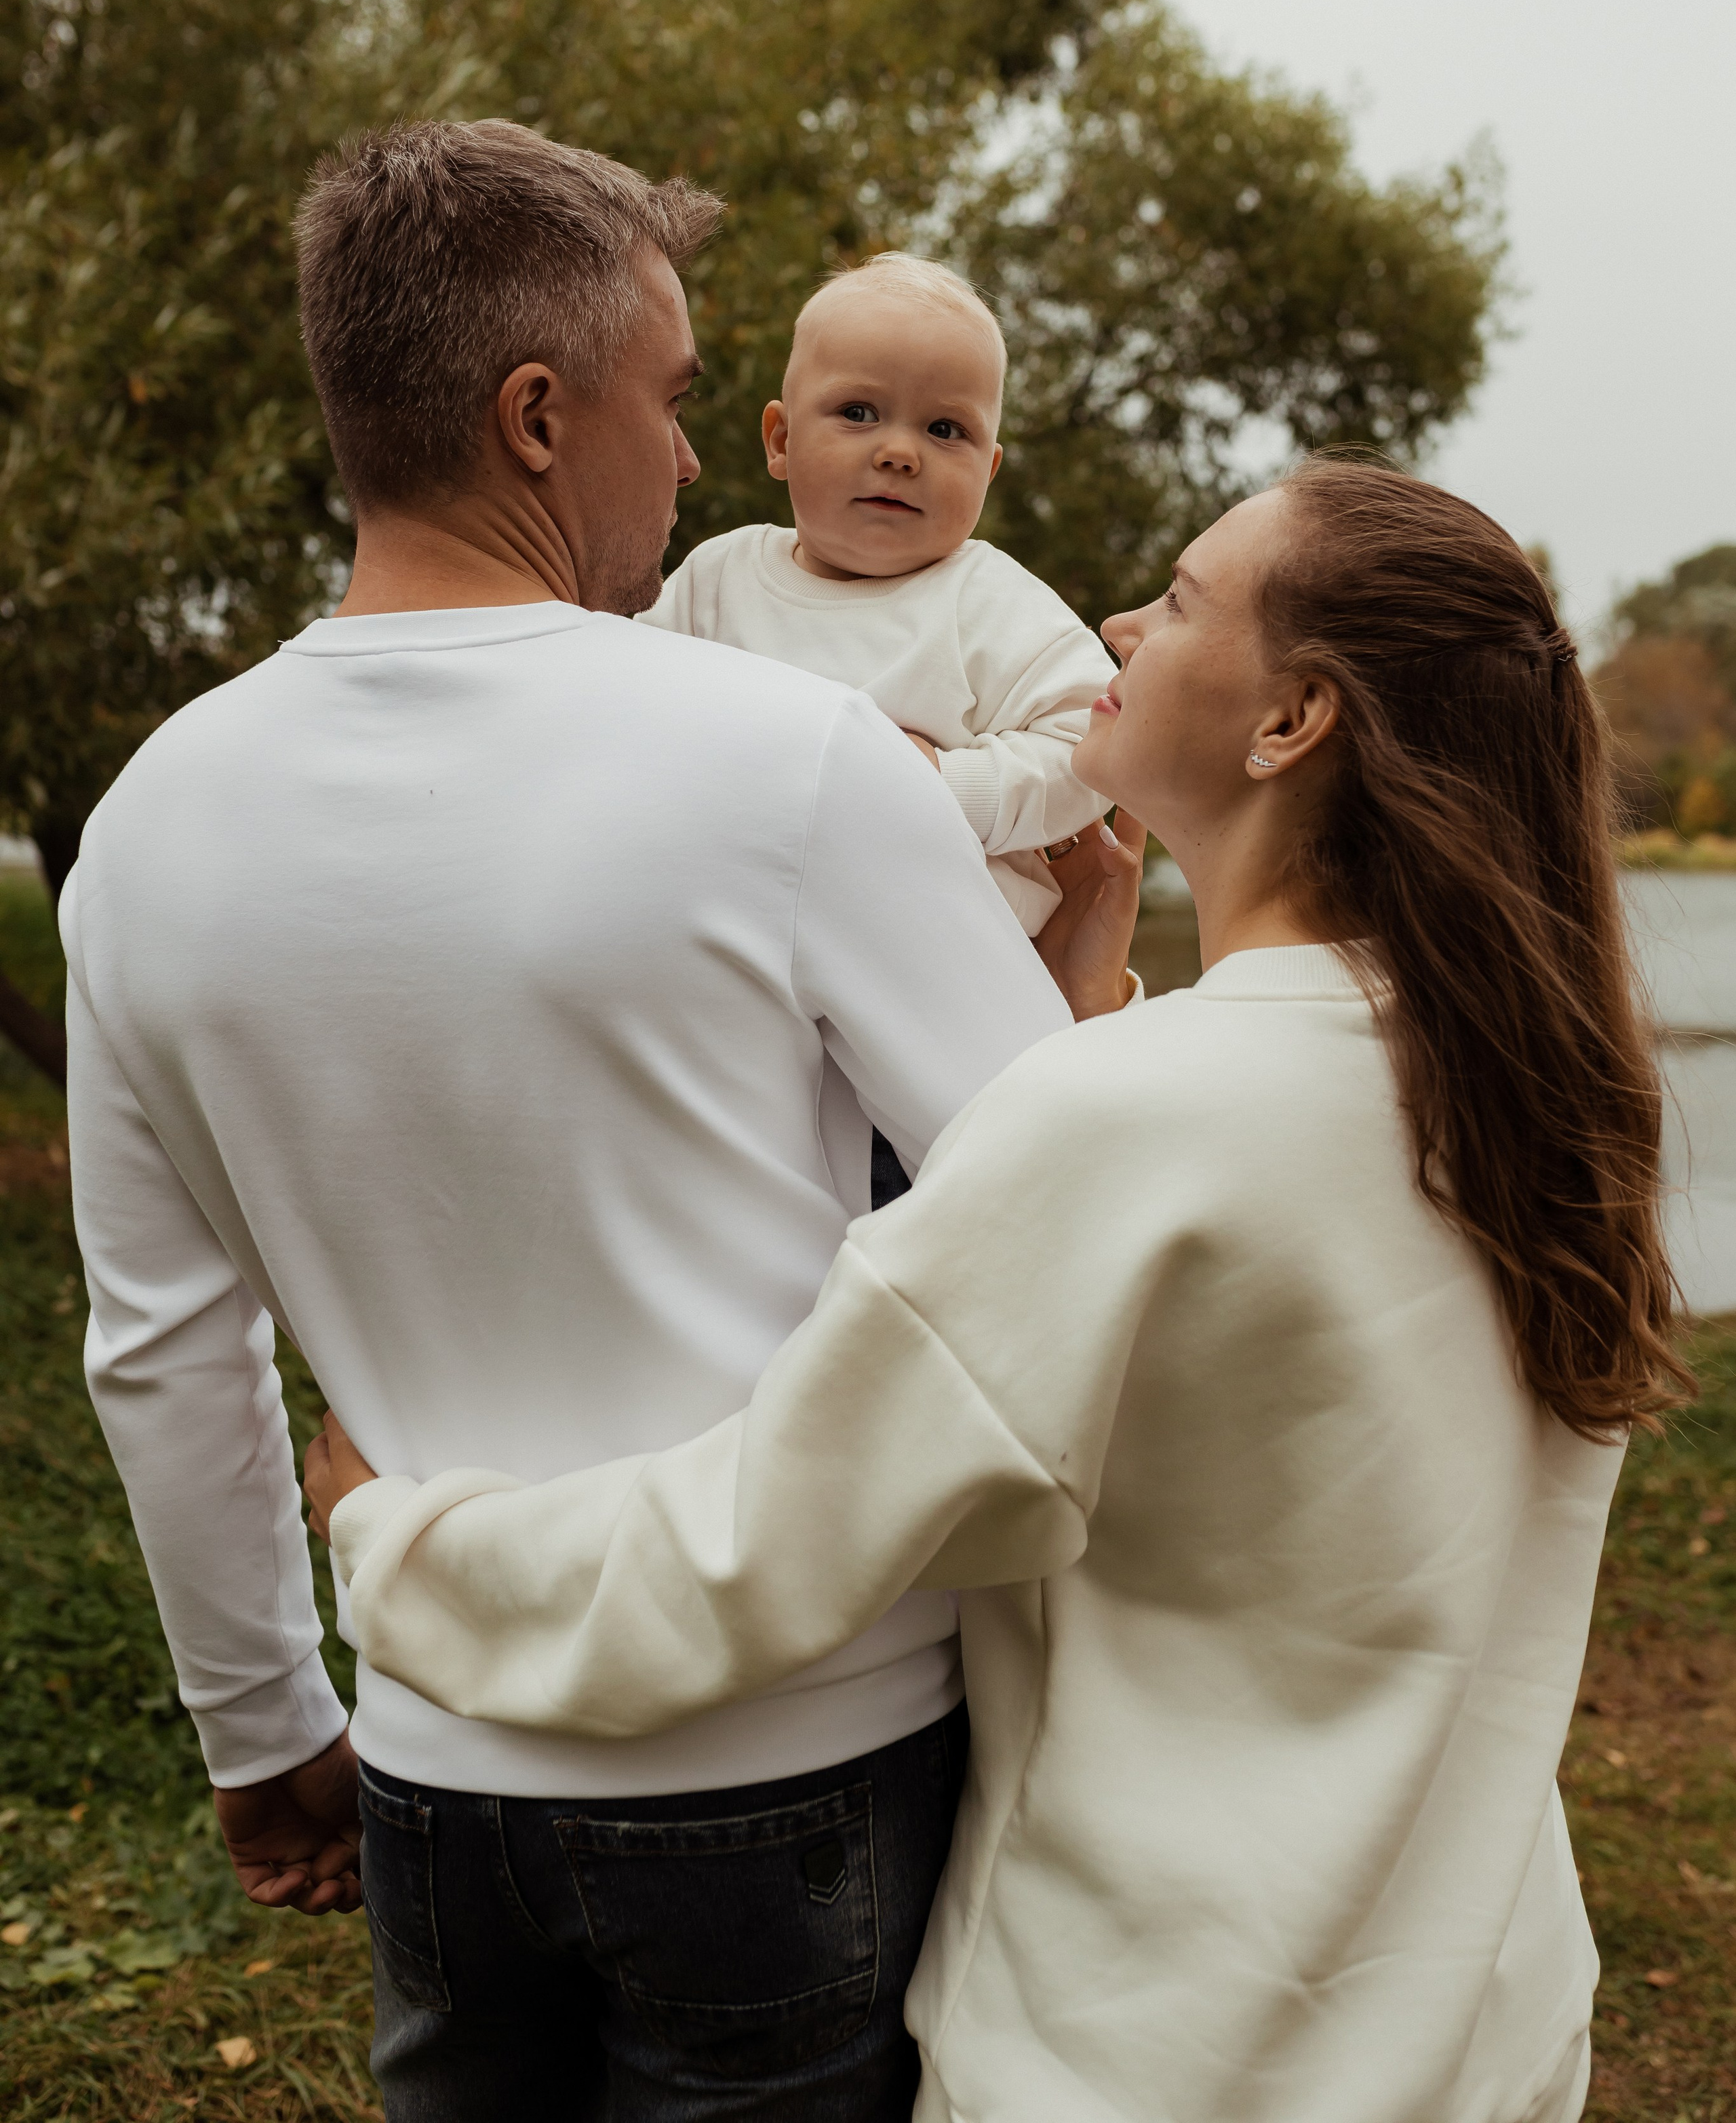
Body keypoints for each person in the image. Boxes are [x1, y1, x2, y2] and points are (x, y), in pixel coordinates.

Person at [309, 454, 1689, 2123]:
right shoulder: (1526, 1092)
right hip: (1477, 2026)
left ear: (1287, 722)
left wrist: (394, 1537)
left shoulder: (1133, 1120)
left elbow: (753, 1550)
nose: (1118, 617)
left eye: (1179, 600)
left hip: (1151, 2055)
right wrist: (1087, 1004)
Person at [62, 117, 1137, 2122]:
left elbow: (164, 1343)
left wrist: (265, 1722)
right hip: (801, 1761)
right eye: (667, 399)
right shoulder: (797, 756)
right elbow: (1058, 1204)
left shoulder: (143, 829)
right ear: (539, 415)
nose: (694, 456)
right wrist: (1091, 963)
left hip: (428, 1763)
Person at [642, 253, 1116, 938]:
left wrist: (948, 787)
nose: (901, 453)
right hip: (735, 917)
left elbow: (1093, 746)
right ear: (780, 440)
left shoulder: (990, 601)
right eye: (858, 413)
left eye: (944, 429)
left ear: (987, 471)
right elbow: (630, 711)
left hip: (936, 944)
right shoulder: (719, 577)